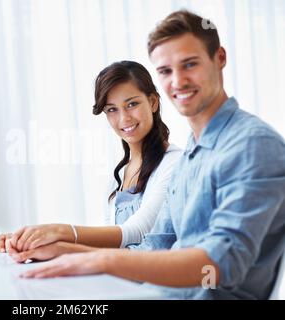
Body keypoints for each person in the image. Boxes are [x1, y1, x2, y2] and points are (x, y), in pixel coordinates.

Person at [14, 10, 285, 300]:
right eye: (166, 71)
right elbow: (156, 245)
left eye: (189, 64)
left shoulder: (254, 146)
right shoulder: (194, 152)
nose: (178, 81)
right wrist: (65, 251)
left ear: (219, 58)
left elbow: (222, 263)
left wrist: (96, 259)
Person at [0, 61, 181, 256]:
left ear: (153, 102)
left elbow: (137, 232)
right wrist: (29, 241)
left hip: (159, 284)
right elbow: (115, 247)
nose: (124, 119)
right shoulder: (119, 175)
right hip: (125, 280)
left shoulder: (174, 163)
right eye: (112, 109)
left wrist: (59, 233)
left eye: (132, 104)